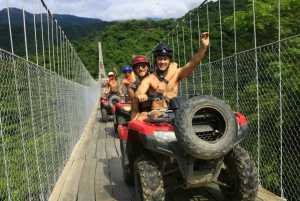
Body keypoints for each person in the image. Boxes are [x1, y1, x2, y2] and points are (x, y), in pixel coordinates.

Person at [135, 32, 210, 119]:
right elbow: (139, 91)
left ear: (169, 60)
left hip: (176, 110)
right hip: (157, 111)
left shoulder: (176, 74)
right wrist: (140, 95)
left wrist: (203, 47)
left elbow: (192, 63)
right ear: (155, 60)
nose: (162, 62)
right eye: (159, 59)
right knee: (155, 116)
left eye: (165, 59)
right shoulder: (149, 79)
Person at [129, 55, 178, 120]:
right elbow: (135, 110)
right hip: (145, 111)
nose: (140, 68)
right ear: (134, 70)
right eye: (137, 66)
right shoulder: (133, 87)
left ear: (147, 67)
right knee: (140, 120)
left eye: (143, 65)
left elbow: (174, 65)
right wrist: (133, 125)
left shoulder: (155, 74)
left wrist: (165, 81)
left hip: (162, 108)